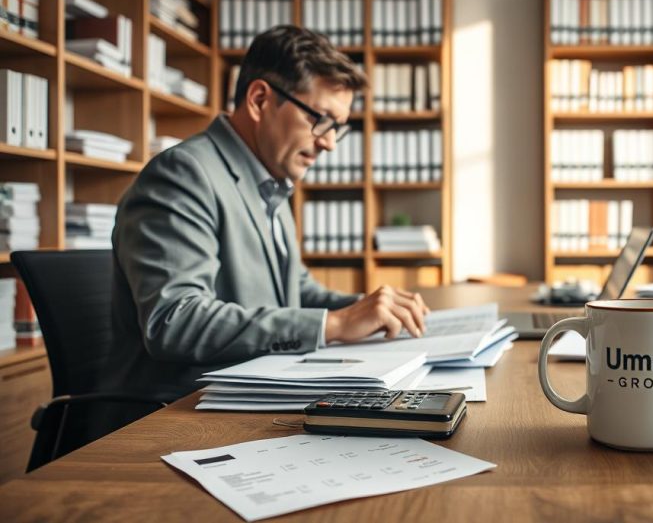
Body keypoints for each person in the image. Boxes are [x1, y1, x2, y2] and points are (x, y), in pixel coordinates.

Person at [106, 26, 430, 402]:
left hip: (252, 393)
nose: (328, 142)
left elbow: (296, 291)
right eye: (320, 119)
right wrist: (337, 324)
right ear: (260, 99)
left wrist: (373, 310)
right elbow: (175, 320)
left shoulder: (270, 179)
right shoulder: (184, 173)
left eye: (337, 129)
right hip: (175, 412)